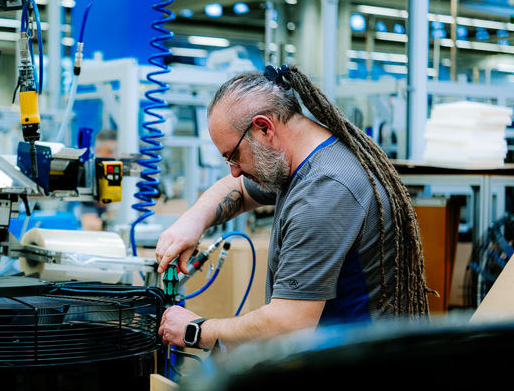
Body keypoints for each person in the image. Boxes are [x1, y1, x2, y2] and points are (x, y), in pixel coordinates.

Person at [155, 64, 430, 350]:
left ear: (264, 128)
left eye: (234, 156)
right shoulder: (302, 157)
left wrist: (194, 330)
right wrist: (191, 222)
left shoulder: (324, 192)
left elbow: (287, 325)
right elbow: (237, 188)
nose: (234, 171)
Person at [77, 128, 119, 231]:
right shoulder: (88, 177)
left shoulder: (123, 174)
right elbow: (90, 224)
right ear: (98, 151)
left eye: (116, 152)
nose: (114, 157)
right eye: (110, 152)